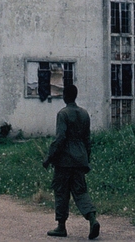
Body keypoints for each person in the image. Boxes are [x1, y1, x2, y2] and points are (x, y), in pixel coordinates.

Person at [42, 83, 99, 239]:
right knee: (81, 192)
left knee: (61, 192)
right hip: (80, 159)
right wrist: (87, 158)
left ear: (65, 96)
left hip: (64, 161)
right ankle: (92, 219)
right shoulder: (84, 114)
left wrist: (49, 158)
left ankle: (61, 226)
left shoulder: (63, 114)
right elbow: (87, 140)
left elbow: (60, 139)